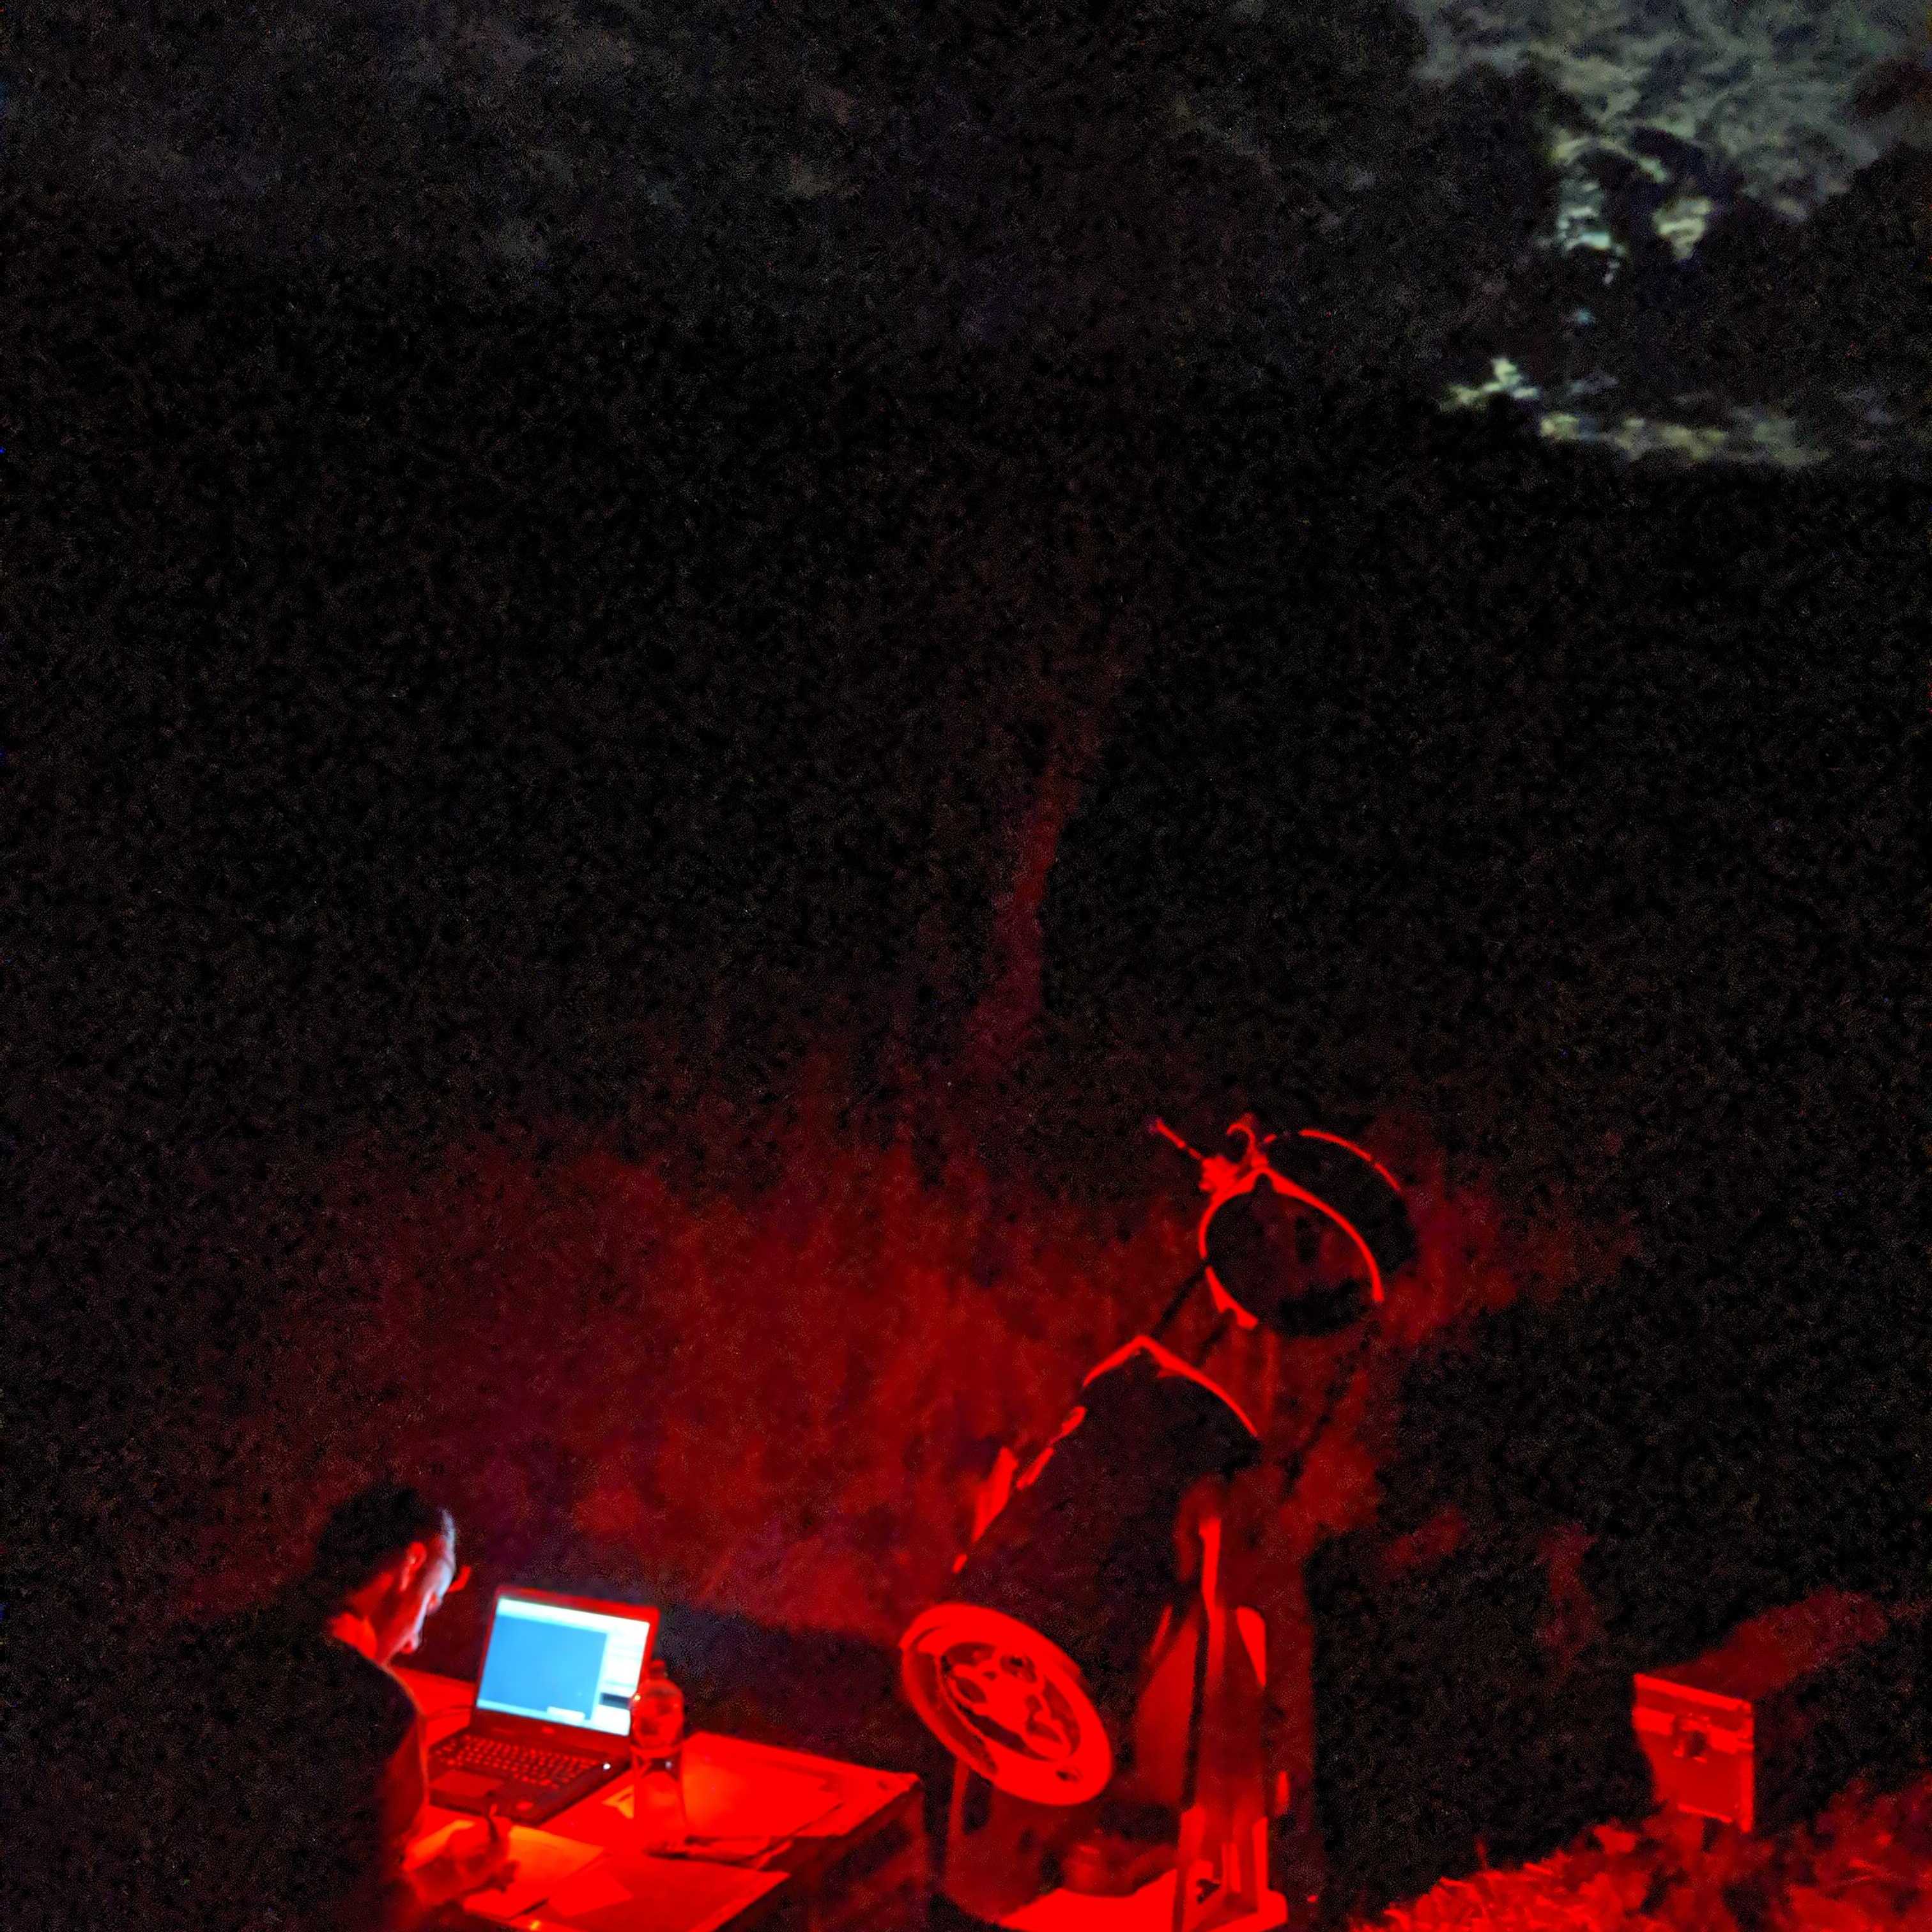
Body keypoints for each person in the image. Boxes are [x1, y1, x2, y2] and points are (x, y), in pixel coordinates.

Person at [127, 1480, 519, 1932]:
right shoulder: (377, 1710)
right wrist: (453, 1873)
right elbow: (371, 1918)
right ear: (410, 1566)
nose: (413, 1643)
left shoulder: (199, 1651)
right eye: (429, 1604)